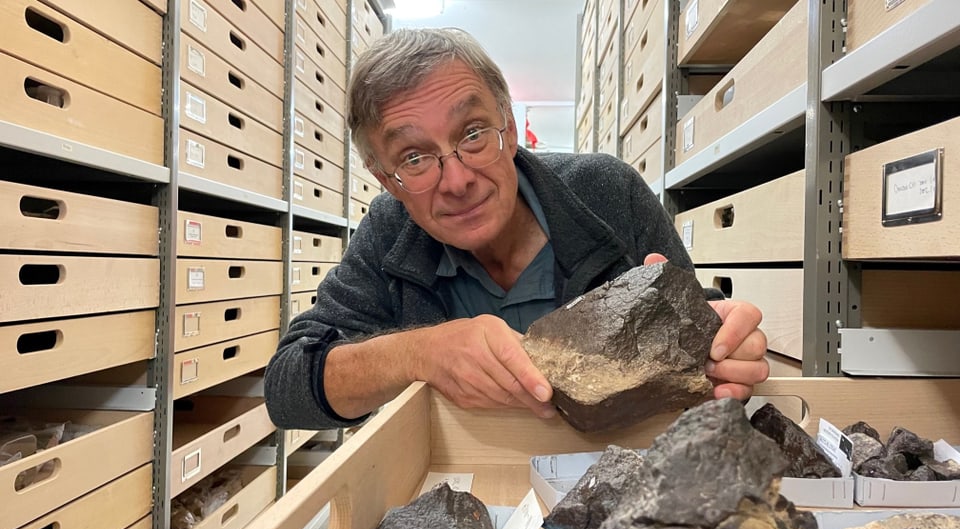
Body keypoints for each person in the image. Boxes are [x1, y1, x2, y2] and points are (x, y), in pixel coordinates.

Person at [264, 27, 769, 430]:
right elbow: (287, 388)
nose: (458, 179)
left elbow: (700, 324)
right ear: (385, 179)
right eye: (415, 158)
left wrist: (724, 349)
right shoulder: (388, 232)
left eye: (473, 133)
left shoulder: (607, 191)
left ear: (508, 124)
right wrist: (418, 352)